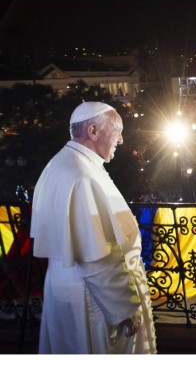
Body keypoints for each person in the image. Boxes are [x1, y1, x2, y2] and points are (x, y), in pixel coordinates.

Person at [30, 101, 157, 354]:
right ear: (93, 131)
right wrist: (125, 309)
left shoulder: (61, 164)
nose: (120, 141)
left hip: (67, 287)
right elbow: (98, 259)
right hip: (95, 301)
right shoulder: (81, 175)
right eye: (117, 131)